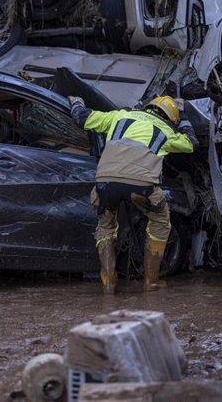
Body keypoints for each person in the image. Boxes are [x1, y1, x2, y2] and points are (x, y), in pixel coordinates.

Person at [69, 95, 198, 294]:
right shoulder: (166, 130)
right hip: (141, 187)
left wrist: (77, 102)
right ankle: (151, 282)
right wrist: (183, 115)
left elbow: (81, 118)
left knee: (105, 227)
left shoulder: (119, 116)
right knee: (160, 223)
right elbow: (191, 144)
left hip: (105, 183)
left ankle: (109, 284)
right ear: (170, 118)